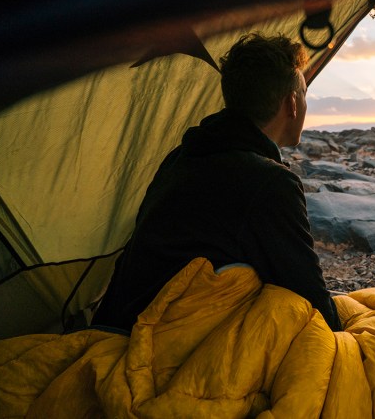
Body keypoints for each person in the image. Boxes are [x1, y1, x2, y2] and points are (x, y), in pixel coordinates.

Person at [92, 33, 341, 331]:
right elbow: (310, 297)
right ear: (292, 104)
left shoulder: (182, 156)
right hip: (163, 336)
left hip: (117, 320)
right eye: (304, 94)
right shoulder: (270, 182)